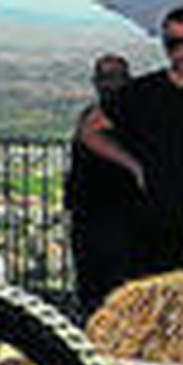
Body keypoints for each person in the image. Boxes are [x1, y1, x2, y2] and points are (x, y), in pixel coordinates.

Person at [78, 5, 183, 277]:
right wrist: (134, 165)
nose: (182, 52)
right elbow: (90, 130)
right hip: (155, 226)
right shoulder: (144, 92)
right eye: (173, 43)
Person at [65, 53, 140, 317]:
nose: (109, 84)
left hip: (121, 216)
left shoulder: (135, 119)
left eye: (115, 77)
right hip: (88, 213)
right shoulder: (92, 114)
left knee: (116, 286)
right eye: (104, 77)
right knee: (90, 284)